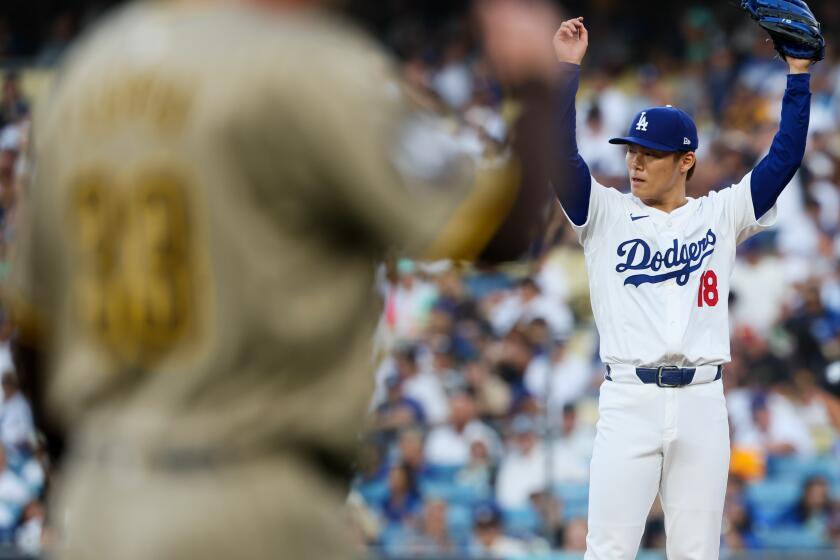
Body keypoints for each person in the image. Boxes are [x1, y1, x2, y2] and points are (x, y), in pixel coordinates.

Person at [5, 1, 571, 559]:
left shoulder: (89, 72)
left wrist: (90, 483)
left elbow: (35, 334)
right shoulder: (303, 65)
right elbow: (504, 228)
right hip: (250, 499)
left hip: (100, 504)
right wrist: (541, 84)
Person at [552, 16, 814, 560]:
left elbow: (784, 158)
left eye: (650, 153)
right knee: (607, 551)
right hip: (628, 397)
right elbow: (561, 159)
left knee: (697, 553)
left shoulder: (720, 214)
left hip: (702, 399)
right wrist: (564, 72)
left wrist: (798, 74)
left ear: (686, 160)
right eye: (631, 150)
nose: (635, 162)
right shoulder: (604, 212)